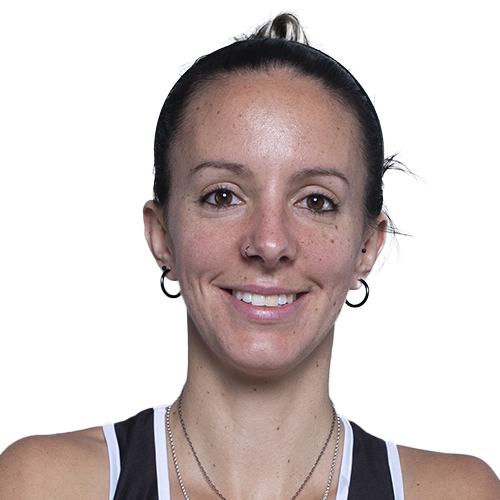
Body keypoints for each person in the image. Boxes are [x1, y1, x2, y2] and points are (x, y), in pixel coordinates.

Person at [0, 13, 499, 500]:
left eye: (315, 201)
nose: (269, 243)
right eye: (222, 196)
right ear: (162, 236)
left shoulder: (457, 492)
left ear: (366, 246)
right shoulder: (43, 486)